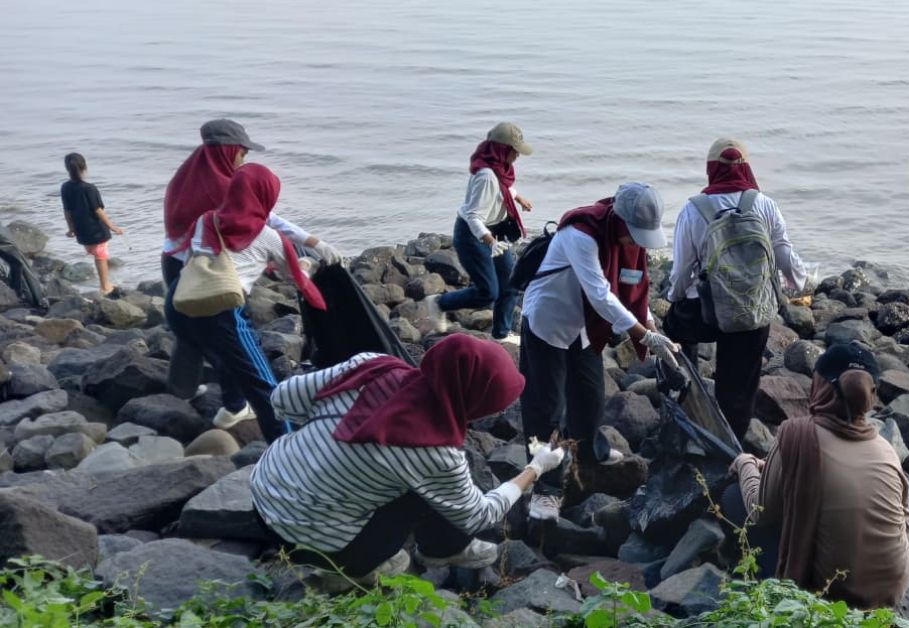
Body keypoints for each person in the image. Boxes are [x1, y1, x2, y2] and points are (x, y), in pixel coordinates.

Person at [251, 334, 566, 579]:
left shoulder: (372, 365)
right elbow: (479, 515)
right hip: (315, 545)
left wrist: (331, 442)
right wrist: (535, 468)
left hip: (262, 491)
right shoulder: (436, 453)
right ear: (475, 402)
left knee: (418, 480)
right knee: (430, 492)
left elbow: (281, 399)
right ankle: (426, 554)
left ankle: (425, 545)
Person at [162, 119, 341, 428]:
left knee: (192, 332)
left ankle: (192, 391)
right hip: (219, 281)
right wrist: (308, 250)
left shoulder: (191, 177)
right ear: (228, 150)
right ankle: (255, 422)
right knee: (245, 361)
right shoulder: (223, 186)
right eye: (241, 153)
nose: (243, 160)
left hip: (184, 269)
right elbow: (264, 220)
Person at [520, 182, 679, 521]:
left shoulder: (630, 245)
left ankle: (588, 453)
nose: (638, 242)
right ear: (620, 221)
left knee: (590, 397)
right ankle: (544, 488)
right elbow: (602, 295)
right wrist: (644, 337)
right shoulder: (581, 234)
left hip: (585, 328)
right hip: (549, 321)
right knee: (545, 406)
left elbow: (635, 293)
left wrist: (653, 330)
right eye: (634, 234)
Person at [725, 342, 909, 609]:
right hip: (891, 588)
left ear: (819, 386)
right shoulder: (885, 449)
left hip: (834, 593)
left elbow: (760, 512)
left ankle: (764, 589)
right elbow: (906, 516)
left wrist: (745, 463)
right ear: (871, 395)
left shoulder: (797, 434)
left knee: (734, 498)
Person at [664, 137, 807, 441]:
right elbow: (784, 255)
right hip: (751, 313)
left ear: (710, 169)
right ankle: (733, 441)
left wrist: (675, 300)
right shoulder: (765, 205)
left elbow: (681, 273)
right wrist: (799, 282)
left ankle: (689, 388)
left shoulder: (693, 210)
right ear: (746, 167)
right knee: (740, 382)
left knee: (674, 327)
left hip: (705, 316)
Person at [425, 122, 534, 343]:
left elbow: (504, 187)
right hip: (473, 235)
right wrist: (489, 241)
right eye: (515, 150)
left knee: (510, 284)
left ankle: (501, 334)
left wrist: (517, 197)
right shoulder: (486, 176)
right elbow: (473, 215)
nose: (518, 156)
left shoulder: (499, 169)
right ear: (502, 150)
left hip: (493, 232)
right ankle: (439, 303)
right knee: (488, 292)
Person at [60, 153, 124, 295]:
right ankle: (105, 286)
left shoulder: (65, 187)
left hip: (81, 229)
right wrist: (112, 226)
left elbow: (67, 211)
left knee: (97, 253)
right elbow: (98, 211)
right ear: (84, 167)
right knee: (101, 255)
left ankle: (105, 284)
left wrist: (71, 228)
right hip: (95, 228)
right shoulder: (89, 188)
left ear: (67, 168)